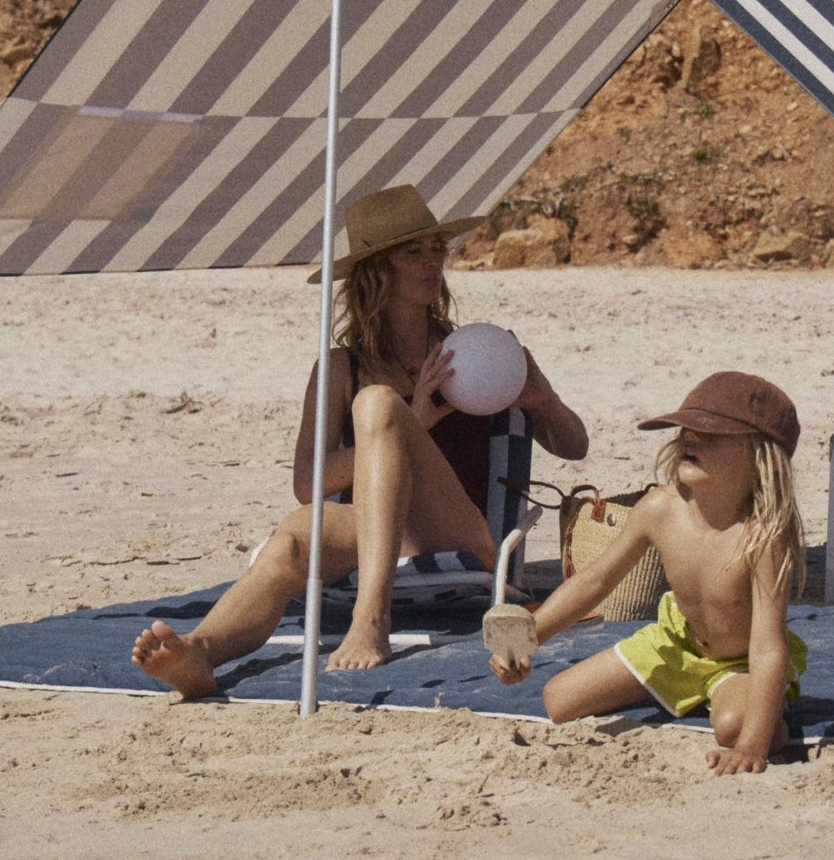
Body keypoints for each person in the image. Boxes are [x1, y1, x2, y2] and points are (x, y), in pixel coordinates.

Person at [132, 183, 589, 698]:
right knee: (292, 539)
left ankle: (371, 615)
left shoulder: (479, 356)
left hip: (463, 534)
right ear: (377, 271)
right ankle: (201, 652)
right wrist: (417, 419)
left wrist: (544, 399)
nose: (430, 262)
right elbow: (309, 484)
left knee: (376, 403)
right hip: (378, 533)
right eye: (412, 252)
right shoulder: (338, 369)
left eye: (436, 248)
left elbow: (575, 446)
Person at [491, 371, 807, 776]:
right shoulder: (660, 509)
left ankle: (756, 707)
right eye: (686, 431)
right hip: (675, 643)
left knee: (733, 728)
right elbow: (594, 582)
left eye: (711, 434)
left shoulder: (763, 537)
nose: (690, 440)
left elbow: (767, 647)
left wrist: (752, 746)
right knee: (559, 700)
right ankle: (686, 691)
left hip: (739, 661)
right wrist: (524, 640)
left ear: (761, 458)